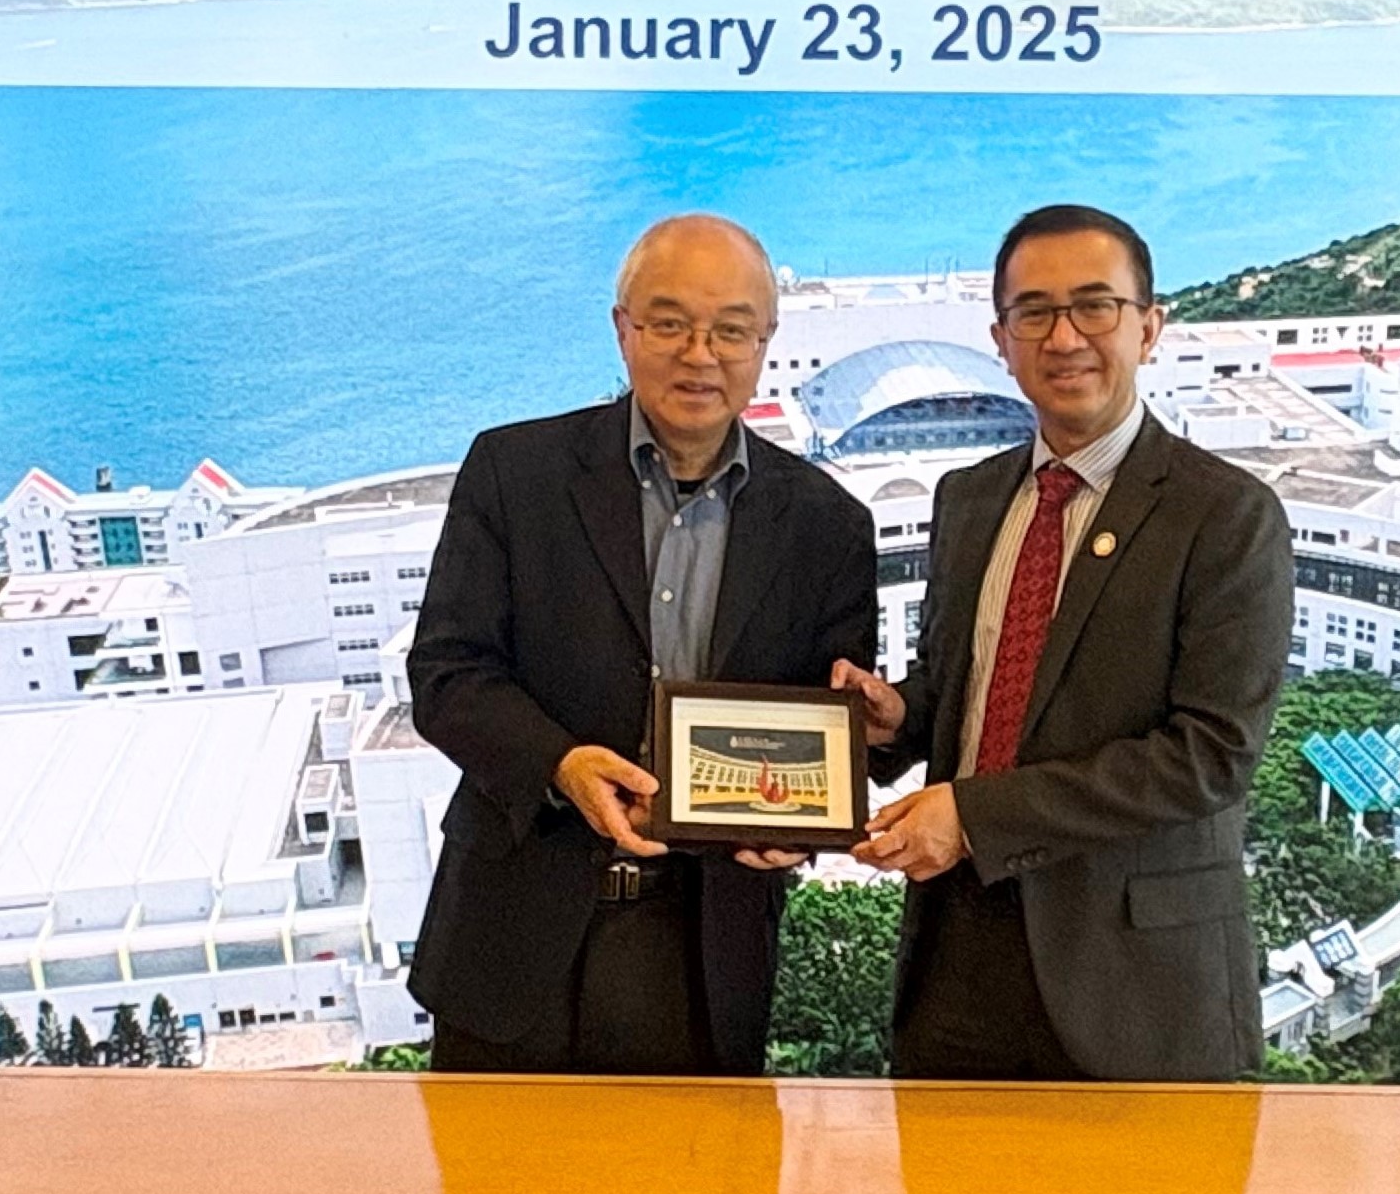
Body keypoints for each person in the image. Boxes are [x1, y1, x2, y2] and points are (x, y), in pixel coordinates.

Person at [406, 214, 879, 1074]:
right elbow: (447, 674)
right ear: (623, 329)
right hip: (511, 933)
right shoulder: (515, 473)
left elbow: (827, 735)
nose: (700, 354)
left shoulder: (828, 526)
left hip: (705, 951)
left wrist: (797, 827)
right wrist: (559, 764)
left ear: (765, 342)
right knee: (495, 1169)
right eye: (669, 323)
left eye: (731, 329)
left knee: (700, 1170)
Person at [834, 203, 1292, 1082]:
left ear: (1149, 327)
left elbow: (1210, 756)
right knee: (945, 1175)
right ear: (1000, 340)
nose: (1065, 336)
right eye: (1034, 312)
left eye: (1095, 306)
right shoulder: (969, 499)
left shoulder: (1226, 516)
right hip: (957, 958)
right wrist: (898, 716)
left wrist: (976, 818)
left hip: (1136, 983)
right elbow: (966, 688)